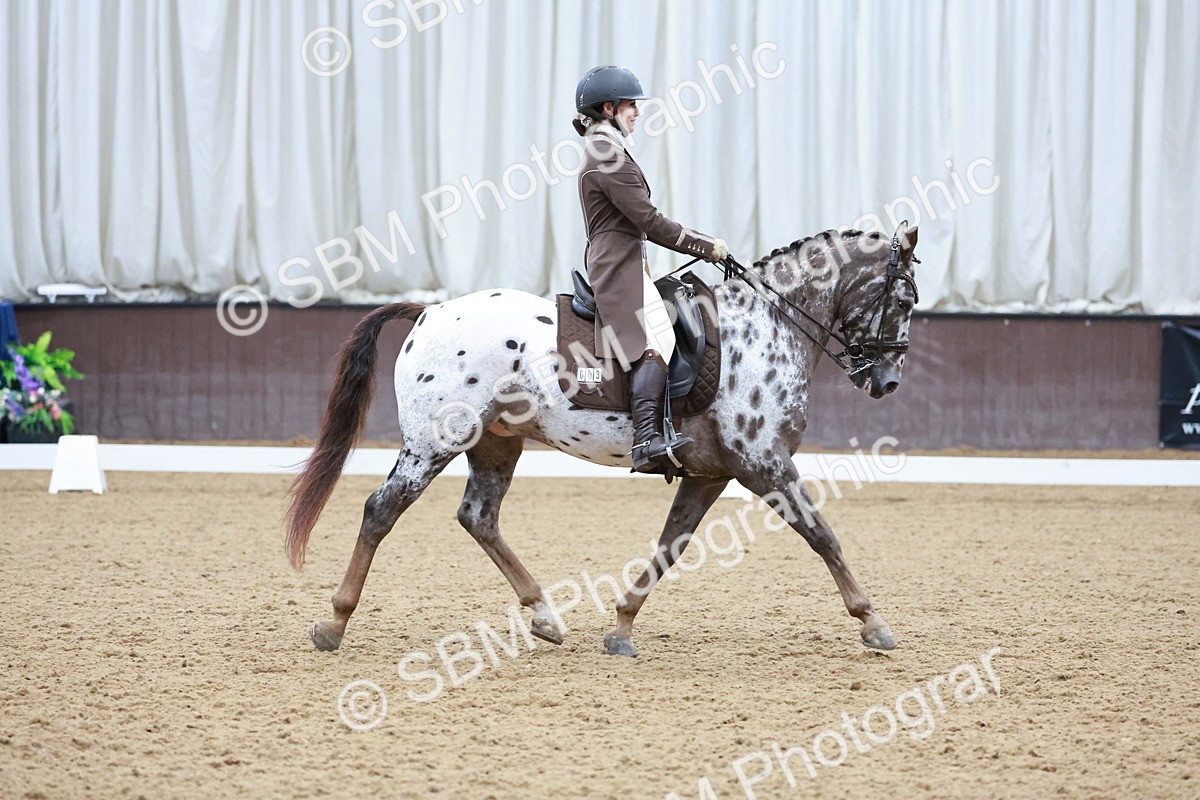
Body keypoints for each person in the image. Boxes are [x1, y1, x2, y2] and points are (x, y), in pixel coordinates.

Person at [573, 65, 729, 473]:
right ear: (608, 108)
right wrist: (705, 246)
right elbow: (650, 221)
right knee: (656, 338)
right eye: (630, 105)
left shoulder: (607, 148)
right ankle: (646, 439)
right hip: (617, 266)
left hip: (624, 259)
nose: (637, 112)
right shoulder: (606, 153)